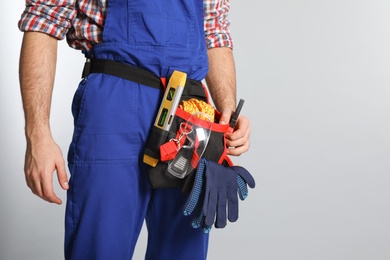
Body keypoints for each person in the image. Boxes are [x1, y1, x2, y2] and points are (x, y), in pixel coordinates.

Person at [18, 0, 251, 259]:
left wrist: (227, 110)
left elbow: (214, 31)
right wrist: (37, 134)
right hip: (116, 101)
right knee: (100, 247)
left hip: (191, 113)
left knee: (183, 250)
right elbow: (43, 20)